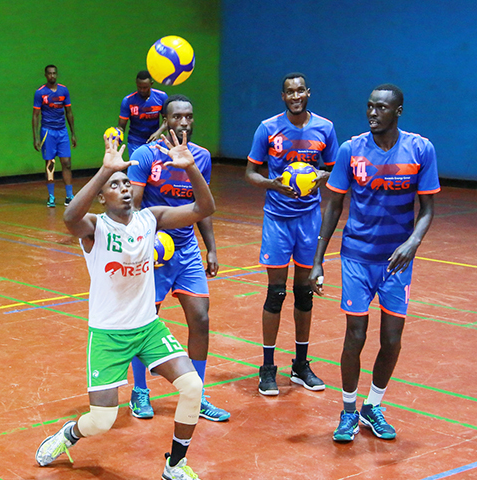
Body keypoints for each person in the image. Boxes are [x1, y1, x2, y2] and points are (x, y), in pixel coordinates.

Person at [35, 131, 214, 480]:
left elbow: (203, 210)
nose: (124, 189)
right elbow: (70, 217)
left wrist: (192, 169)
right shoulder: (95, 228)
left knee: (192, 387)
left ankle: (176, 465)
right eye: (115, 186)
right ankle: (69, 434)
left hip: (148, 328)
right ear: (102, 197)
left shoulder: (151, 218)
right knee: (102, 421)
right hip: (108, 333)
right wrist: (104, 170)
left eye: (126, 183)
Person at [311, 84, 439, 442]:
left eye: (381, 108)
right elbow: (334, 205)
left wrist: (412, 242)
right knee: (355, 334)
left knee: (392, 339)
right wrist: (318, 261)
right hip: (356, 257)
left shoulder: (420, 149)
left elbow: (428, 209)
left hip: (396, 262)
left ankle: (373, 406)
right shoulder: (352, 150)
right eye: (369, 107)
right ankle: (349, 410)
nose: (372, 113)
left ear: (398, 111)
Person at [127, 94, 230, 422]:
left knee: (200, 318)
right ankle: (140, 391)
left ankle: (196, 394)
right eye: (176, 117)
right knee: (145, 322)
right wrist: (143, 243)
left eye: (188, 117)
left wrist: (210, 247)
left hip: (185, 251)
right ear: (165, 120)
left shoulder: (200, 157)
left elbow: (203, 206)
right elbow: (134, 205)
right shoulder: (146, 155)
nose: (183, 122)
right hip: (154, 250)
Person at [245, 73, 338, 396]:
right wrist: (274, 184)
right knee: (276, 293)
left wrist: (318, 177)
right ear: (282, 96)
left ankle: (300, 365)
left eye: (300, 90)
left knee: (304, 292)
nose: (295, 95)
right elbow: (251, 172)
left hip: (309, 219)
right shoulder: (268, 128)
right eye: (289, 92)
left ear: (308, 93)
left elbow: (335, 170)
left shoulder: (325, 128)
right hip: (277, 219)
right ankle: (268, 368)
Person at [32, 65, 77, 207]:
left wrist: (73, 133)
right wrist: (36, 138)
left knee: (67, 163)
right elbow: (35, 116)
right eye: (49, 74)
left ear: (57, 75)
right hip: (47, 132)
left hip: (62, 131)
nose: (52, 76)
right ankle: (51, 196)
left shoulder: (64, 90)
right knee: (50, 164)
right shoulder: (40, 93)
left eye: (54, 73)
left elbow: (69, 112)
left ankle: (69, 196)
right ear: (46, 75)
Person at [117, 70, 167, 155]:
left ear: (151, 84)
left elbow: (167, 119)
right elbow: (121, 126)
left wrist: (158, 132)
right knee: (137, 166)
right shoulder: (128, 101)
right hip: (135, 142)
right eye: (139, 87)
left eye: (145, 87)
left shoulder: (161, 97)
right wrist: (116, 134)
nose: (142, 90)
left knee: (154, 167)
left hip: (154, 141)